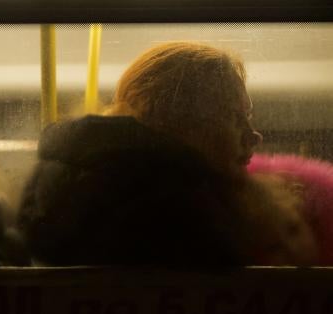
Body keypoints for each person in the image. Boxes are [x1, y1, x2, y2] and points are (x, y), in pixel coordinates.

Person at [17, 41, 318, 267]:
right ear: (174, 117)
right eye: (233, 116)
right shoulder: (176, 216)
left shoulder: (85, 187)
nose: (254, 135)